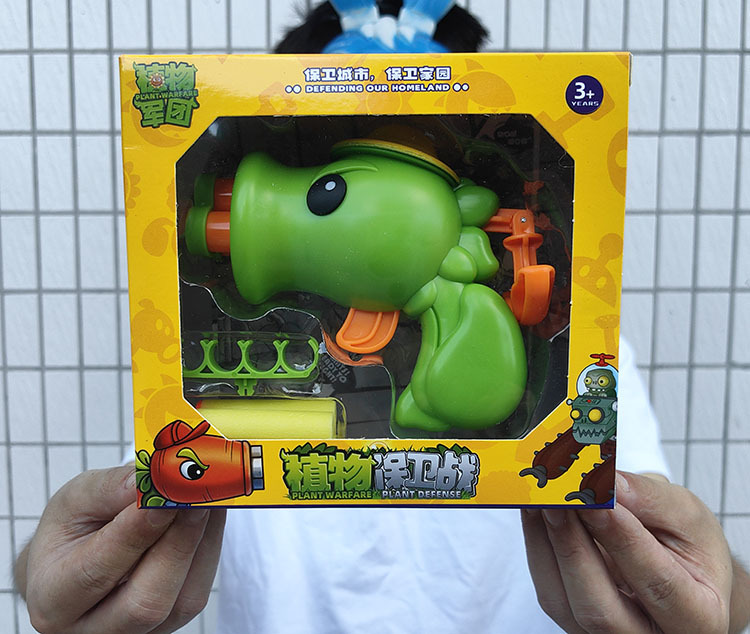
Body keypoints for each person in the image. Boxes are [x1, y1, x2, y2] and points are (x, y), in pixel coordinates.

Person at [15, 2, 750, 632]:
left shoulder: (586, 360)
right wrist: (52, 577)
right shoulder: (192, 372)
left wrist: (709, 599)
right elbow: (116, 510)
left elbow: (696, 570)